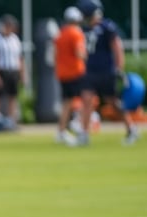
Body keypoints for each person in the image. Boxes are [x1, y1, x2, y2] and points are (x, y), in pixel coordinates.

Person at [77, 0, 138, 145]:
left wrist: (119, 68)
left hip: (106, 71)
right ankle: (84, 134)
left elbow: (117, 46)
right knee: (86, 100)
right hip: (90, 71)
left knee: (113, 103)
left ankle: (131, 129)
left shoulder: (106, 27)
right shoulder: (85, 29)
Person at [53, 6, 87, 146]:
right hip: (75, 72)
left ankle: (62, 130)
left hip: (62, 73)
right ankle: (76, 124)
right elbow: (80, 53)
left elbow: (55, 55)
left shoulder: (60, 34)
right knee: (82, 99)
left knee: (67, 102)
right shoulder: (76, 33)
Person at [0, 14, 25, 122]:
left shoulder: (15, 39)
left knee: (12, 97)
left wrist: (22, 74)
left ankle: (11, 121)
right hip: (1, 71)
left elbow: (20, 58)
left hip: (13, 71)